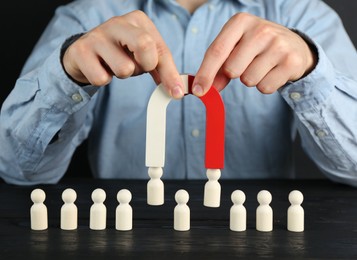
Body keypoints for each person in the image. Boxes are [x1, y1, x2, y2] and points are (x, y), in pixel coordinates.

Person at [0, 0, 356, 186]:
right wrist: (67, 77)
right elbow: (16, 171)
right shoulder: (86, 18)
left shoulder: (303, 15)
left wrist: (311, 73)